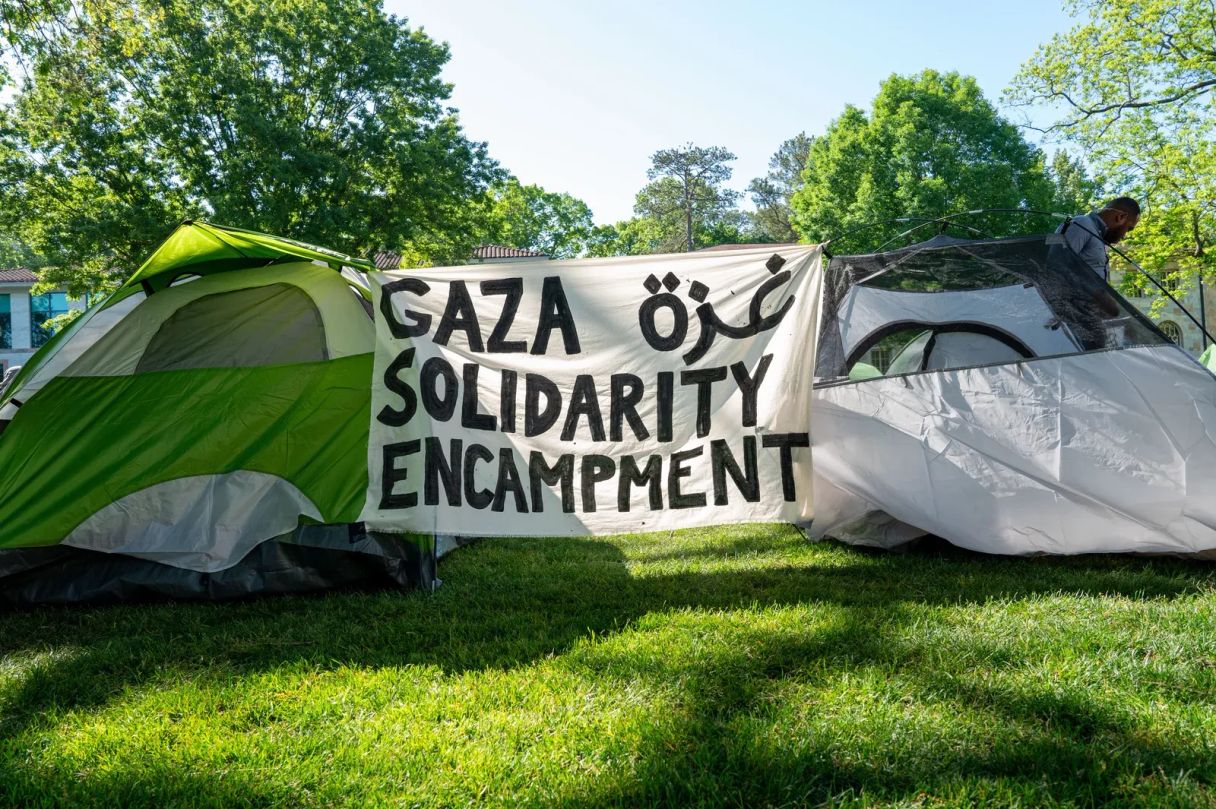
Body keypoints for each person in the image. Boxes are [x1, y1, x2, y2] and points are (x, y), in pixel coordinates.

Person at [1056, 196, 1141, 281]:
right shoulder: (1081, 223)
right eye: (1129, 228)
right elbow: (1054, 265)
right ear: (1121, 216)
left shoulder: (1098, 235)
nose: (1124, 236)